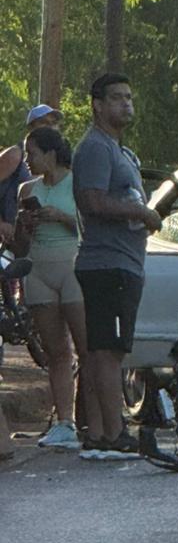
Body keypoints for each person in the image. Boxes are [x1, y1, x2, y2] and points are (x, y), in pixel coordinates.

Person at [72, 73, 161, 459]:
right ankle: (113, 432)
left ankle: (99, 431)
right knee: (108, 351)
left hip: (121, 262)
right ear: (98, 105)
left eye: (129, 97)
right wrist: (140, 212)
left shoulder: (118, 150)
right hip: (107, 263)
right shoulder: (95, 148)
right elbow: (92, 201)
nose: (126, 104)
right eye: (117, 98)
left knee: (103, 351)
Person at [13, 126, 88, 450]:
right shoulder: (27, 189)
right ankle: (64, 422)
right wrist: (24, 225)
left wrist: (61, 216)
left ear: (51, 154)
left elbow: (89, 226)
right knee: (56, 352)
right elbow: (19, 247)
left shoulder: (78, 183)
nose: (27, 161)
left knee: (86, 349)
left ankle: (93, 419)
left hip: (72, 266)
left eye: (32, 154)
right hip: (39, 270)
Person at [0, 104, 63, 247]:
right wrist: (1, 224)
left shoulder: (57, 162)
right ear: (31, 127)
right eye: (45, 122)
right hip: (9, 242)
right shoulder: (15, 155)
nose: (51, 127)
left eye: (54, 123)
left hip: (39, 242)